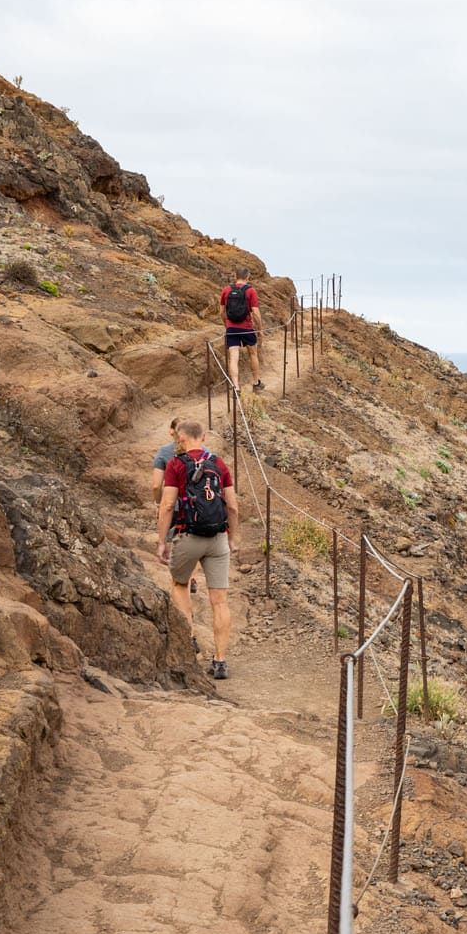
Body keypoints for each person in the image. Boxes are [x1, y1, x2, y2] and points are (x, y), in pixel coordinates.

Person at [157, 419, 240, 680]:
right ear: (203, 437)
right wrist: (232, 538)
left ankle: (189, 638)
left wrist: (162, 542)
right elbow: (233, 506)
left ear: (180, 438)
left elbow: (167, 505)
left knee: (180, 585)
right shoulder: (219, 464)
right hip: (217, 537)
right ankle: (221, 661)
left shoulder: (175, 464)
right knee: (220, 601)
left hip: (188, 535)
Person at [151, 417, 198, 599]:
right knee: (193, 538)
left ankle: (182, 581)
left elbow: (156, 485)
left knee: (176, 541)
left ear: (172, 431)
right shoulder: (204, 452)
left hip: (175, 505)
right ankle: (192, 575)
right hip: (196, 504)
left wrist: (158, 503)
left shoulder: (164, 452)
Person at [221, 267, 265, 393]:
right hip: (247, 328)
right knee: (253, 354)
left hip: (231, 329)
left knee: (233, 358)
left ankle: (236, 388)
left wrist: (227, 325)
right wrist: (260, 329)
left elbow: (221, 312)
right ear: (248, 277)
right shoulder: (250, 291)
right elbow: (256, 313)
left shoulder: (226, 290)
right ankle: (256, 383)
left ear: (236, 276)